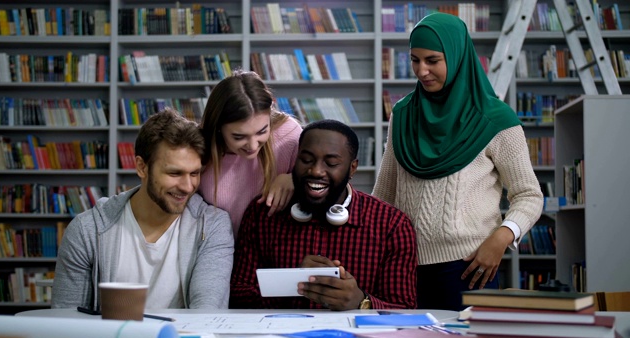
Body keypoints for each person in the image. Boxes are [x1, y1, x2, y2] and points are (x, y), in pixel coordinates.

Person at [372, 13, 544, 311]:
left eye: (432, 60)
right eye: (415, 60)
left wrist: (501, 238)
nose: (422, 71)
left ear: (457, 56)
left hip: (470, 268)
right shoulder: (401, 115)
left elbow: (529, 195)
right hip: (400, 266)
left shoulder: (497, 120)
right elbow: (384, 195)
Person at [51, 108, 234, 310]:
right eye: (174, 173)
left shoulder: (212, 226)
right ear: (141, 167)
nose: (187, 186)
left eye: (194, 173)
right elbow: (66, 320)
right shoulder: (87, 231)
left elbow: (207, 313)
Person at [230, 120, 417, 310]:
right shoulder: (263, 213)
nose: (316, 171)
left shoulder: (392, 225)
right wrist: (295, 283)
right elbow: (238, 296)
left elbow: (404, 309)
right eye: (306, 160)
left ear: (352, 168)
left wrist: (361, 302)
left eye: (331, 163)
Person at [199, 70, 302, 237]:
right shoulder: (201, 149)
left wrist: (296, 179)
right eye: (239, 137)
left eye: (262, 131)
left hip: (276, 250)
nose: (253, 146)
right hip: (219, 252)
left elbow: (330, 184)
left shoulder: (288, 134)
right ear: (218, 128)